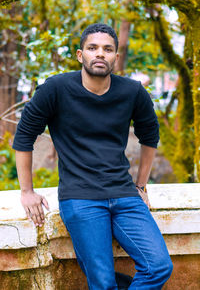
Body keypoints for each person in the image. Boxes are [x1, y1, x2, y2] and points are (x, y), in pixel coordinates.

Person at [13, 23, 173, 290]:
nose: (100, 54)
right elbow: (24, 136)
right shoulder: (55, 89)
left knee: (158, 267)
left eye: (108, 49)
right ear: (80, 55)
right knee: (102, 282)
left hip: (124, 195)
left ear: (116, 58)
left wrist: (141, 185)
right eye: (93, 48)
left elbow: (150, 138)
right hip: (80, 198)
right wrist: (26, 191)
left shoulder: (132, 92)